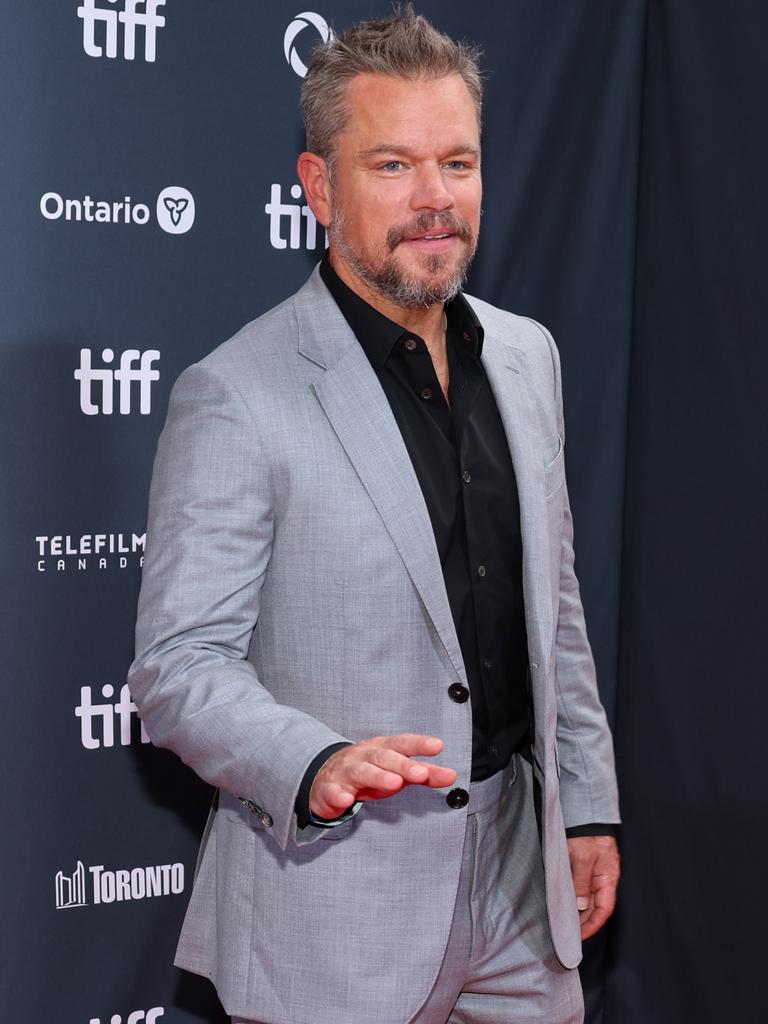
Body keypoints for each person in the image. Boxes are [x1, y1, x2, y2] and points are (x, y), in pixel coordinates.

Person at [128, 8, 620, 1024]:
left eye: (458, 162)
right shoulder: (238, 391)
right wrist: (313, 762)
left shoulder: (528, 357)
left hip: (525, 885)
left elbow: (555, 612)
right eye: (392, 165)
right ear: (318, 188)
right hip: (338, 908)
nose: (435, 200)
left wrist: (589, 802)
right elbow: (178, 666)